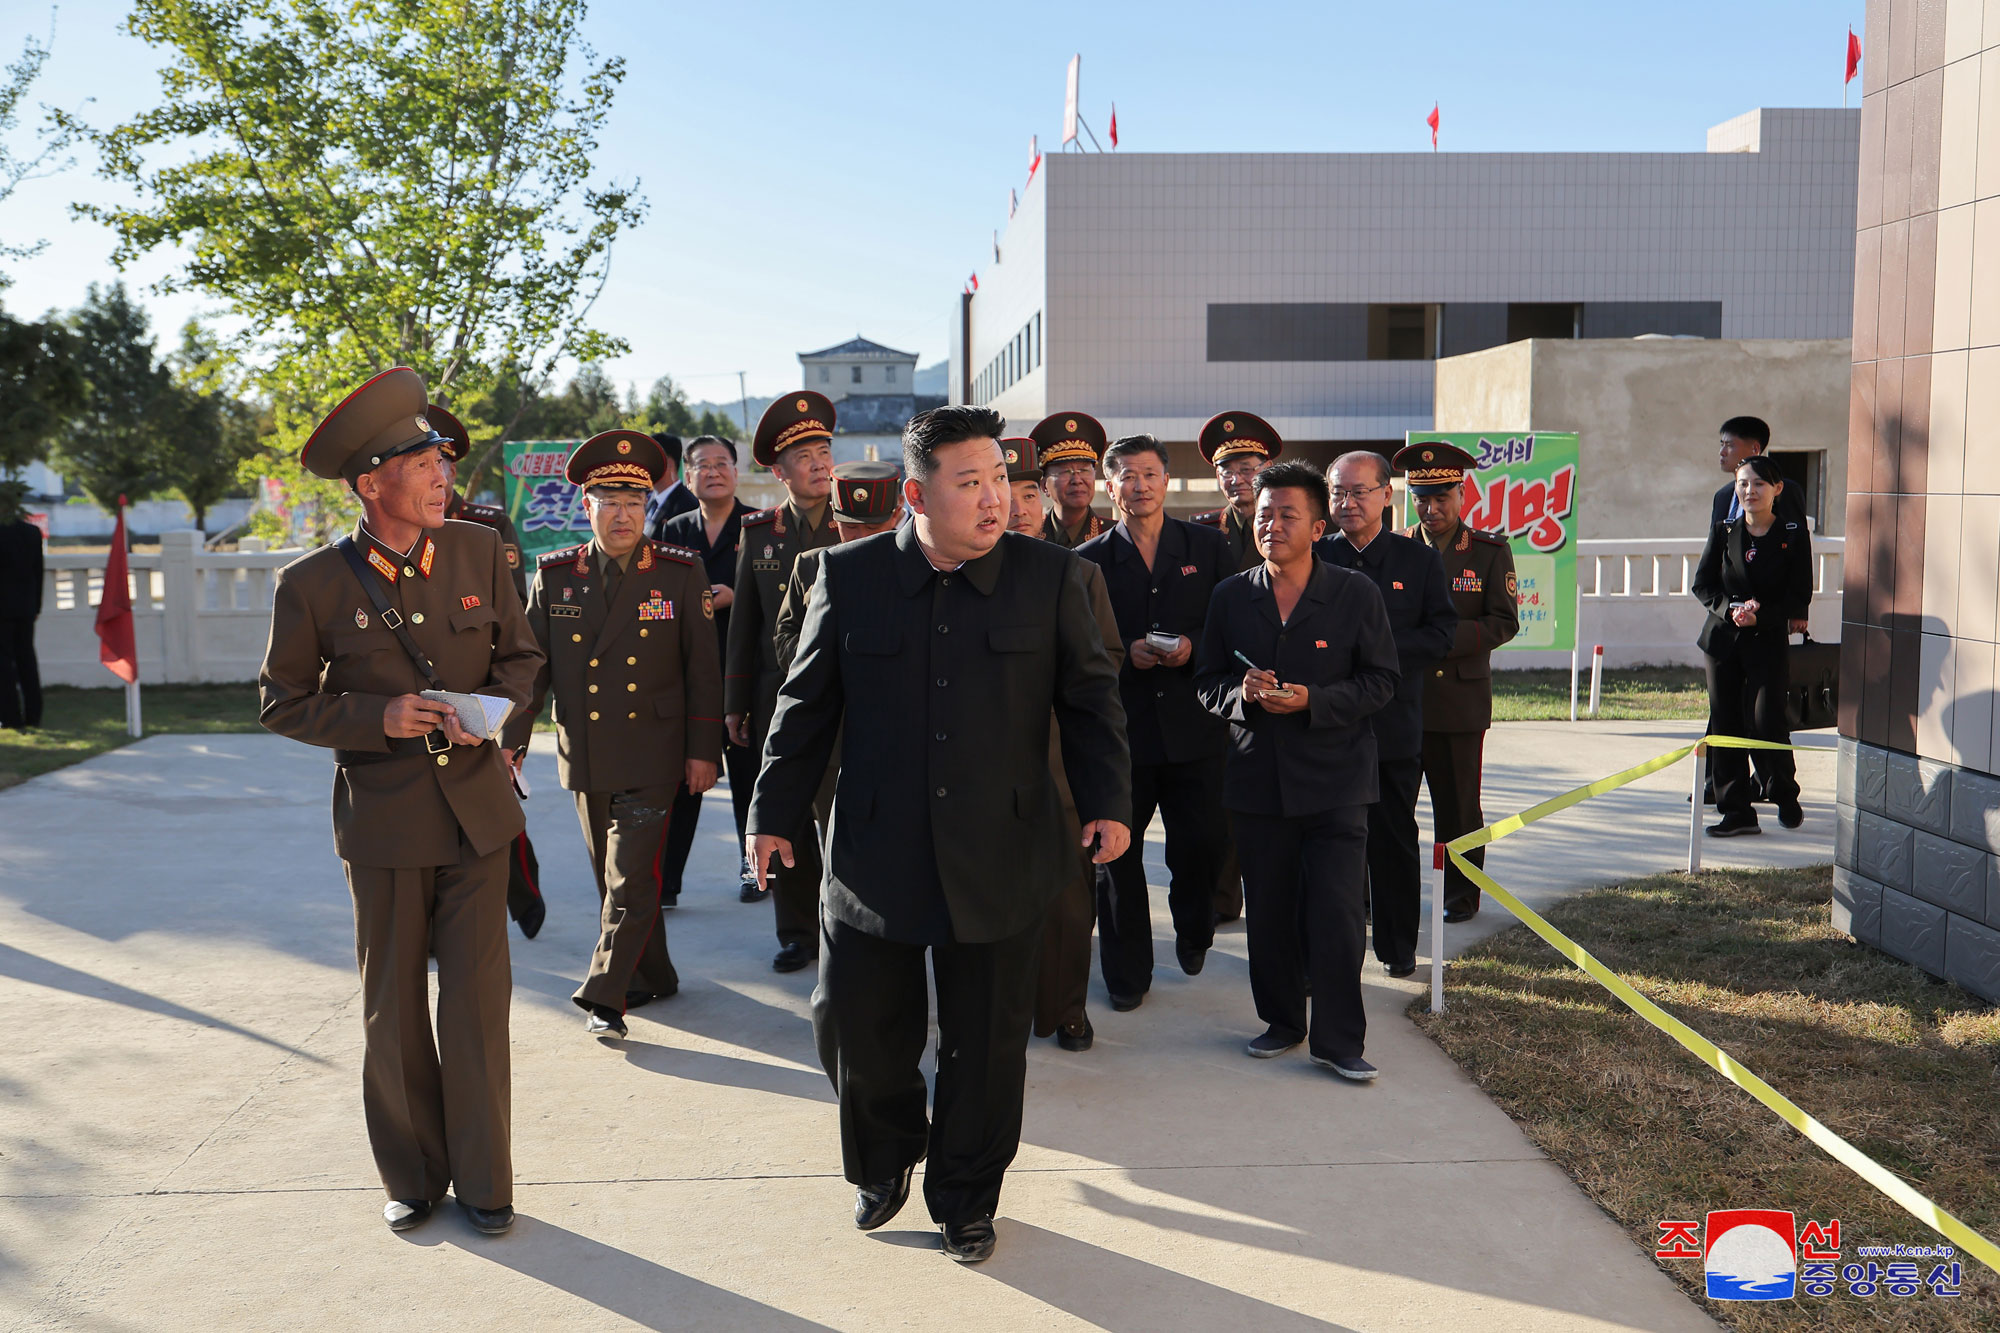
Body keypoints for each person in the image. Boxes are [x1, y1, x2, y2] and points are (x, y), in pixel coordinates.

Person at [747, 405, 1131, 1264]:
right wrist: (772, 815)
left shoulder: (1052, 577)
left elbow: (1093, 703)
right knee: (861, 1027)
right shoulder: (846, 578)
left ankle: (966, 1195)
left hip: (1005, 847)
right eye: (972, 483)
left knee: (987, 1042)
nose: (995, 498)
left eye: (1000, 478)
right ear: (917, 494)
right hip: (875, 854)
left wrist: (1109, 803)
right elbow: (803, 710)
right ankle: (882, 1163)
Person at [258, 368, 543, 1235]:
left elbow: (524, 661)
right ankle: (414, 1176)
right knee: (392, 1009)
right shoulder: (310, 584)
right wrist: (376, 714)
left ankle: (487, 1182)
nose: (443, 478)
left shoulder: (479, 552)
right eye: (422, 465)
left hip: (479, 817)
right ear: (371, 481)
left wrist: (490, 715)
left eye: (444, 464)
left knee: (477, 1006)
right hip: (384, 823)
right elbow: (281, 701)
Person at [500, 430, 723, 1036]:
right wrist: (512, 743)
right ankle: (656, 974)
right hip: (587, 754)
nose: (622, 515)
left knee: (630, 876)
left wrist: (705, 751)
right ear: (586, 506)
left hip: (654, 755)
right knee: (615, 878)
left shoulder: (679, 573)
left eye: (634, 502)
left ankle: (606, 993)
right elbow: (533, 669)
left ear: (648, 507)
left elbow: (704, 671)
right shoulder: (555, 575)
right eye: (609, 501)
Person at [1196, 460, 1399, 1079]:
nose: (1273, 525)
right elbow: (1207, 684)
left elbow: (1381, 681)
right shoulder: (1232, 595)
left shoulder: (1353, 594)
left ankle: (1340, 1042)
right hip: (1259, 782)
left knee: (1337, 913)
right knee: (1271, 912)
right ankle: (1281, 1020)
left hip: (1337, 782)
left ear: (1317, 526)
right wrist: (1244, 694)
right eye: (1264, 515)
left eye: (1288, 515)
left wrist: (1314, 700)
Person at [1077, 433, 1232, 1009]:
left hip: (1198, 727)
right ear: (1109, 487)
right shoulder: (1086, 563)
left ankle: (1195, 930)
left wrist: (1191, 645)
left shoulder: (1209, 548)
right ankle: (1126, 974)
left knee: (1201, 845)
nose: (1138, 485)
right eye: (1125, 476)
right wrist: (1126, 656)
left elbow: (1233, 627)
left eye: (1148, 474)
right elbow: (1081, 650)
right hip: (1122, 734)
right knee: (1115, 857)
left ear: (1166, 480)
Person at [1315, 451, 1457, 978]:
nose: (1346, 503)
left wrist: (1372, 648)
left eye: (1358, 492)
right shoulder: (1314, 556)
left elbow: (1440, 635)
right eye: (1336, 493)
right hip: (1325, 727)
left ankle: (1398, 947)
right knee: (1328, 845)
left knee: (1393, 837)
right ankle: (1330, 953)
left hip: (1392, 725)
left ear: (1386, 496)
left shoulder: (1416, 560)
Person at [1005, 435, 1122, 1053]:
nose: (1018, 507)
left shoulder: (1081, 574)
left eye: (1028, 493)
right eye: (1006, 491)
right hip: (981, 774)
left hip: (1059, 766)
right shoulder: (954, 572)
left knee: (1069, 904)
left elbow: (1110, 661)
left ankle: (1067, 1008)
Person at [726, 393, 838, 967]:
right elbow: (744, 622)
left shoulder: (860, 525)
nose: (820, 464)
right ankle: (796, 932)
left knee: (841, 816)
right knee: (787, 813)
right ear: (779, 471)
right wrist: (734, 702)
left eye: (824, 452)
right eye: (805, 456)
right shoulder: (760, 533)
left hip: (847, 703)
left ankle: (844, 925)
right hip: (779, 700)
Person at [428, 403, 546, 940]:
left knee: (491, 810)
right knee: (426, 823)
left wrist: (504, 713)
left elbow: (513, 623)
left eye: (443, 464)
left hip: (480, 701)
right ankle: (433, 927)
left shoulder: (487, 527)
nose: (437, 476)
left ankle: (524, 892)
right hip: (418, 702)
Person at [1394, 441, 1520, 924]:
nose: (1431, 508)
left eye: (1442, 496)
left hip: (1458, 700)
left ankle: (1461, 895)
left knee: (1459, 809)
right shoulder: (1398, 547)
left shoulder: (1488, 551)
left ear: (1462, 494)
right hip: (1401, 698)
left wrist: (1441, 640)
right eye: (1421, 498)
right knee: (1392, 807)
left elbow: (1502, 622)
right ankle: (1385, 895)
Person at [1189, 411, 1285, 926]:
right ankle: (1225, 900)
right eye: (1227, 468)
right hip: (1226, 689)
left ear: (1267, 469)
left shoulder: (1295, 525)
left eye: (1248, 466)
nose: (1237, 477)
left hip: (1289, 682)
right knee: (1223, 804)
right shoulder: (1203, 534)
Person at [659, 435, 757, 903]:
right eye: (703, 465)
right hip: (688, 681)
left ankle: (756, 874)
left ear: (736, 473)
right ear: (688, 476)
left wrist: (738, 598)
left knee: (749, 781)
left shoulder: (760, 526)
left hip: (744, 678)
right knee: (685, 783)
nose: (714, 472)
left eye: (722, 463)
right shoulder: (673, 528)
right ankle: (667, 882)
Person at [1693, 454, 1812, 837]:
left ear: (1777, 489)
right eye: (1743, 483)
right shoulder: (1724, 530)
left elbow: (1799, 593)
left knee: (1767, 721)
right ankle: (1737, 810)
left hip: (1767, 640)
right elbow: (1703, 585)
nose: (1749, 490)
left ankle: (1783, 792)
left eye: (1759, 483)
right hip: (1723, 641)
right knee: (1726, 722)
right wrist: (1731, 610)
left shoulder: (1791, 535)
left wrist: (1762, 615)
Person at [774, 461, 905, 673]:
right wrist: (823, 659)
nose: (861, 537)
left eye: (873, 527)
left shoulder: (916, 565)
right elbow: (785, 637)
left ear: (897, 511)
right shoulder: (810, 565)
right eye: (850, 526)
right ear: (833, 512)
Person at [1191, 410, 1281, 574]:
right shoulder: (1201, 531)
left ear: (1268, 469)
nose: (1236, 480)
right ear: (1218, 477)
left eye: (1246, 470)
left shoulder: (1284, 525)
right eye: (1227, 472)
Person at [0, 482, 44, 731]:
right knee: (27, 659)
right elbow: (38, 573)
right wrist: (36, 605)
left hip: (2, 609)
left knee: (4, 663)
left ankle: (10, 716)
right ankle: (34, 714)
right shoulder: (32, 533)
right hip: (26, 607)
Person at [1033, 411, 1110, 548]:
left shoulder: (1114, 536)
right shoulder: (1031, 537)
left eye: (1084, 470)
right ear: (1044, 486)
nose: (1077, 480)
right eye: (1065, 472)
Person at [644, 433, 698, 538]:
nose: (643, 465)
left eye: (649, 459)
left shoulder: (688, 506)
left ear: (667, 463)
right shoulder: (648, 499)